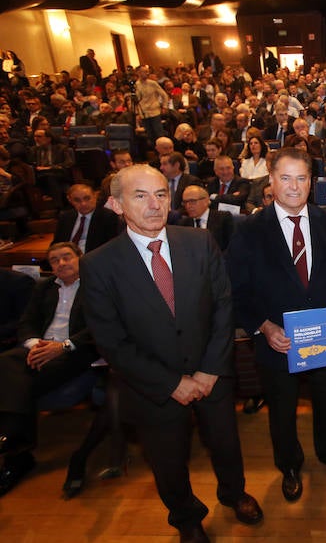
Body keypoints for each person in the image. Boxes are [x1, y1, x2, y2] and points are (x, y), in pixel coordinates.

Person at [80, 165, 263, 541]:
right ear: (116, 204)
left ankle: (234, 493)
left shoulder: (199, 242)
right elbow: (111, 341)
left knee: (226, 445)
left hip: (213, 374)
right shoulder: (98, 265)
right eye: (140, 195)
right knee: (168, 461)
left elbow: (223, 307)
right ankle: (186, 518)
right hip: (153, 387)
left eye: (161, 194)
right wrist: (170, 383)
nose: (154, 205)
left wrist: (211, 369)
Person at [226, 148, 326, 504]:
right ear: (270, 181)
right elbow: (236, 290)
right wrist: (263, 327)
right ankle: (289, 465)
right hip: (276, 343)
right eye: (285, 178)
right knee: (281, 411)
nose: (294, 186)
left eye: (301, 178)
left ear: (312, 182)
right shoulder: (250, 230)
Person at [0, 243, 98, 497]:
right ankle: (17, 448)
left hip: (74, 350)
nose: (61, 264)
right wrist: (35, 346)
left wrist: (62, 346)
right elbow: (27, 323)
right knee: (7, 364)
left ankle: (17, 452)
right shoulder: (43, 287)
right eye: (54, 261)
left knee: (15, 380)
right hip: (39, 347)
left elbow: (100, 326)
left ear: (80, 258)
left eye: (66, 257)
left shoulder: (96, 285)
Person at [51, 183, 121, 254]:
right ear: (70, 200)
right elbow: (57, 243)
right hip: (66, 258)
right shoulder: (65, 217)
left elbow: (111, 246)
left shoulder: (108, 216)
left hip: (92, 257)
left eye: (87, 198)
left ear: (95, 196)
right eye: (77, 200)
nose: (83, 203)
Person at [179, 185, 234, 252]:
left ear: (206, 201)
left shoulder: (223, 218)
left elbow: (231, 247)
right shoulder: (183, 224)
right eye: (185, 202)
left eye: (192, 201)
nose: (188, 206)